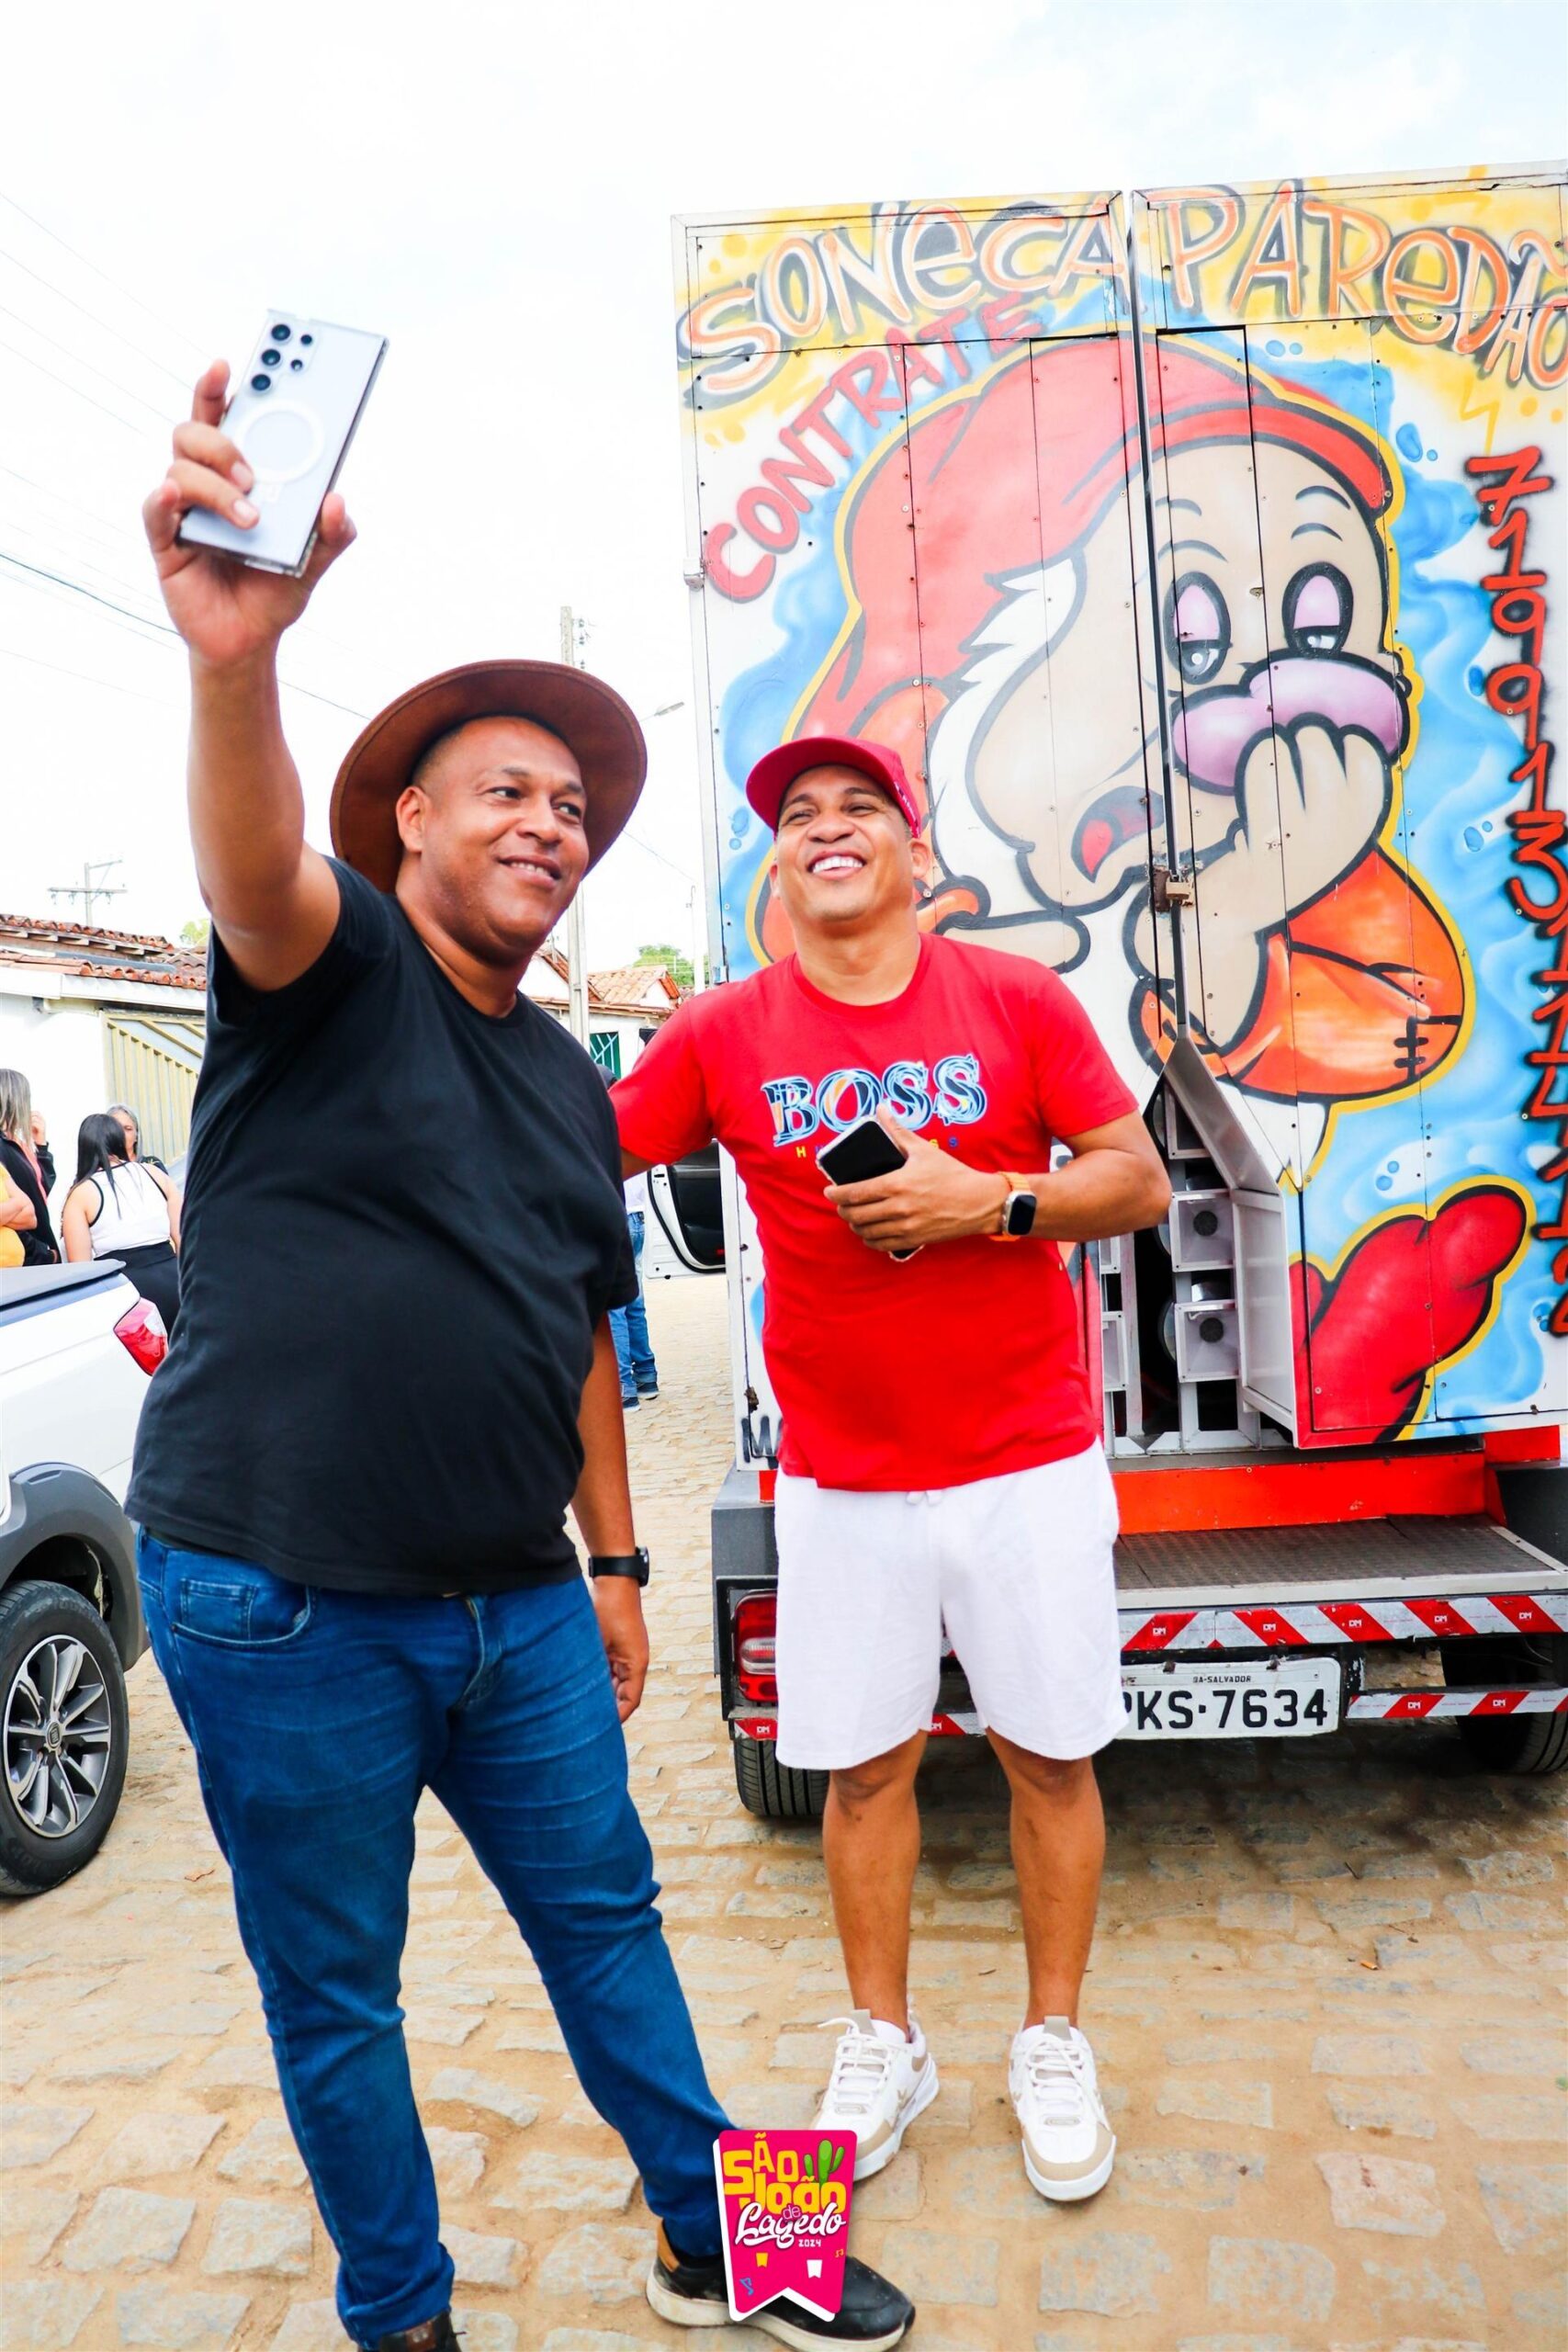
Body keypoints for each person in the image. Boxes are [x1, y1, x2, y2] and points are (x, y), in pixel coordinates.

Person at [128, 365, 913, 2352]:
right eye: (505, 791)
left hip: (521, 1609)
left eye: (571, 809)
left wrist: (618, 1561)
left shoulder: (575, 1076)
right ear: (409, 820)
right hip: (279, 1602)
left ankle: (737, 2241)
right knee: (338, 1994)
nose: (548, 824)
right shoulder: (332, 967)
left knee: (615, 1922)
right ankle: (402, 2315)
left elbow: (574, 1323)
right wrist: (236, 663)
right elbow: (250, 867)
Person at [615, 737, 1170, 2206]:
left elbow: (1134, 1179)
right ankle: (884, 2042)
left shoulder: (1014, 999)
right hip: (841, 1483)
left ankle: (1050, 2042)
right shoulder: (723, 1032)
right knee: (861, 1774)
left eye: (858, 807)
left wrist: (990, 1201)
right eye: (797, 815)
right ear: (777, 867)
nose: (826, 827)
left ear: (914, 853)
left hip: (1025, 1464)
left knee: (1048, 1757)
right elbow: (571, 1155)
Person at [62, 1112, 182, 1334]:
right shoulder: (155, 1174)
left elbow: (81, 1271)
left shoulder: (80, 1194)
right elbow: (184, 1237)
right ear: (118, 1139)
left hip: (129, 1298)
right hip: (175, 1282)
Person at [0, 1069, 60, 1265]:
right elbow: (11, 1218)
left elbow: (39, 1194)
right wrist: (42, 1252)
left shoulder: (15, 1143)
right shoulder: (3, 1147)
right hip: (27, 1261)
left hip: (38, 1255)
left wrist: (41, 1148)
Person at [612, 1166, 659, 1407]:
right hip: (636, 1216)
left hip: (613, 1214)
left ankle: (624, 1388)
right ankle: (646, 1376)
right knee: (633, 1300)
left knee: (613, 1307)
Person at [107, 1101, 173, 1176]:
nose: (122, 1133)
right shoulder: (100, 1170)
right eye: (116, 1128)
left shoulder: (152, 1165)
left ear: (136, 1136)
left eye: (128, 1129)